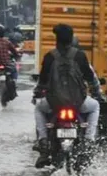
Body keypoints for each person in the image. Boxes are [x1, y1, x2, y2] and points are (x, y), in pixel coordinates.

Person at [33, 24, 102, 168]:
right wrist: (96, 93)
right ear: (71, 39)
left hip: (54, 103)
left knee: (39, 108)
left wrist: (37, 94)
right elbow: (90, 78)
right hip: (78, 103)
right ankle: (89, 140)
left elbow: (43, 81)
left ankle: (43, 142)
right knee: (95, 106)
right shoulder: (80, 56)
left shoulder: (50, 56)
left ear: (56, 39)